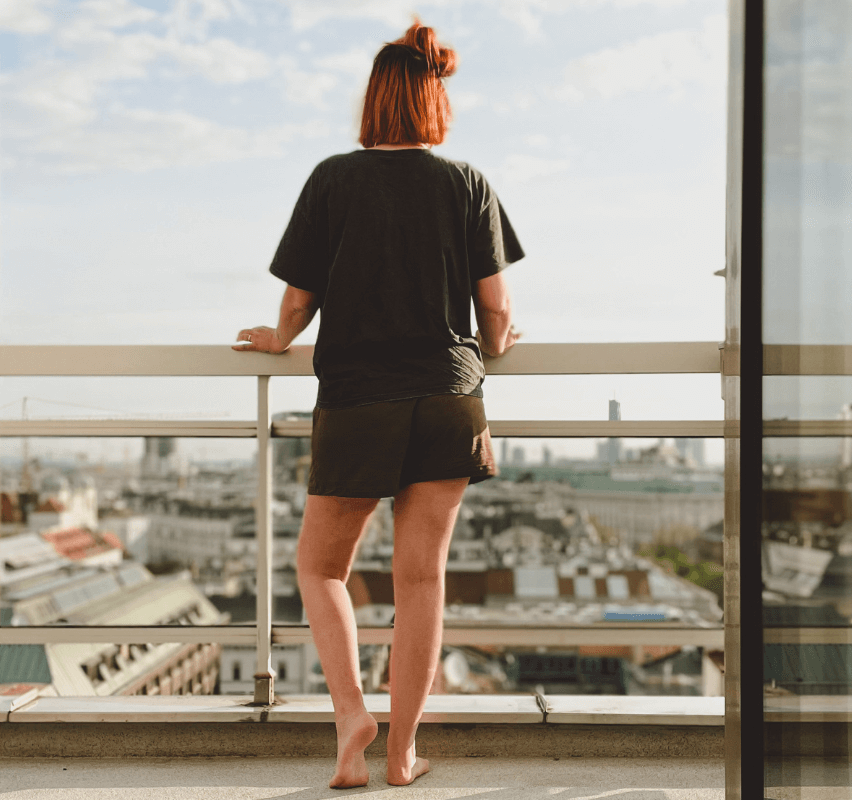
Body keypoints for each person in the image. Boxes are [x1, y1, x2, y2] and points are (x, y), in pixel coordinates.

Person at [232, 20, 523, 789]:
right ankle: (401, 755)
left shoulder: (333, 178)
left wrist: (275, 337)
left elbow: (298, 302)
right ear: (435, 100)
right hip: (447, 395)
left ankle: (350, 718)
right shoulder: (467, 182)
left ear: (374, 101)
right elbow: (495, 311)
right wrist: (497, 339)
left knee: (322, 567)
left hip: (359, 398)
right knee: (419, 581)